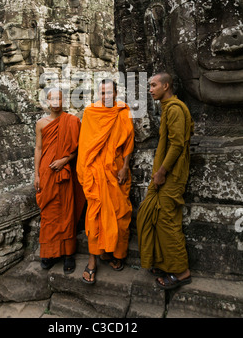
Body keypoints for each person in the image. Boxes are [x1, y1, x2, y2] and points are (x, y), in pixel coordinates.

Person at [136, 72, 194, 290]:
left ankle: (181, 272)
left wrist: (161, 172)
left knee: (167, 221)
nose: (150, 89)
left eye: (154, 85)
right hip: (164, 173)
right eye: (149, 85)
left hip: (171, 174)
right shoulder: (168, 108)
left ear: (166, 86)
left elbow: (177, 145)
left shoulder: (176, 109)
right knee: (150, 214)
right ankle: (162, 262)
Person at [77, 79, 135, 284]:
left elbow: (128, 143)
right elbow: (84, 146)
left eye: (109, 92)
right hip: (94, 172)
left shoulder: (123, 111)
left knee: (120, 213)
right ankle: (92, 261)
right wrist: (85, 172)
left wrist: (125, 167)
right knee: (94, 217)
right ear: (98, 94)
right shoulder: (91, 113)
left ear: (116, 92)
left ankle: (115, 254)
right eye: (102, 93)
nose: (106, 96)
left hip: (115, 170)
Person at [34, 88, 85, 274]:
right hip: (46, 173)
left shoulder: (72, 121)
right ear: (47, 101)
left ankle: (68, 254)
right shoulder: (41, 123)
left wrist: (64, 160)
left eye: (59, 97)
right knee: (48, 214)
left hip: (64, 172)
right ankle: (49, 253)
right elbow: (38, 149)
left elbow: (78, 148)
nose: (55, 101)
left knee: (66, 212)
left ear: (64, 100)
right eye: (52, 98)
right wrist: (36, 174)